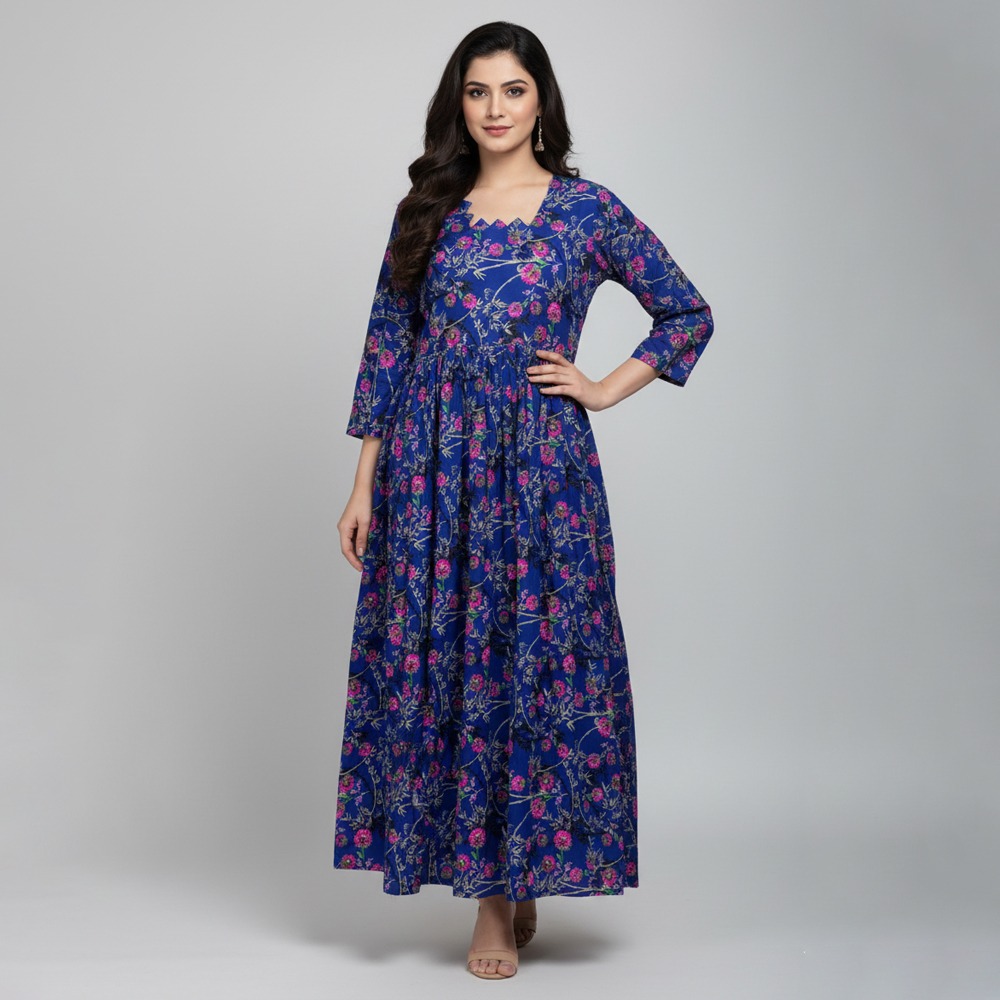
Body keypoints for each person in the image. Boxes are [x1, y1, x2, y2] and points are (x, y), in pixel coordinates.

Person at [333, 20, 714, 980]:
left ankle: (514, 877)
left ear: (541, 100)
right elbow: (389, 345)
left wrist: (603, 387)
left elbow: (686, 310)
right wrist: (364, 482)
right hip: (431, 469)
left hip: (540, 472)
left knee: (528, 665)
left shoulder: (585, 211)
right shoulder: (428, 208)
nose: (494, 109)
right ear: (457, 104)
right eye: (477, 92)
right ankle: (495, 898)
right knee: (455, 662)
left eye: (512, 90)